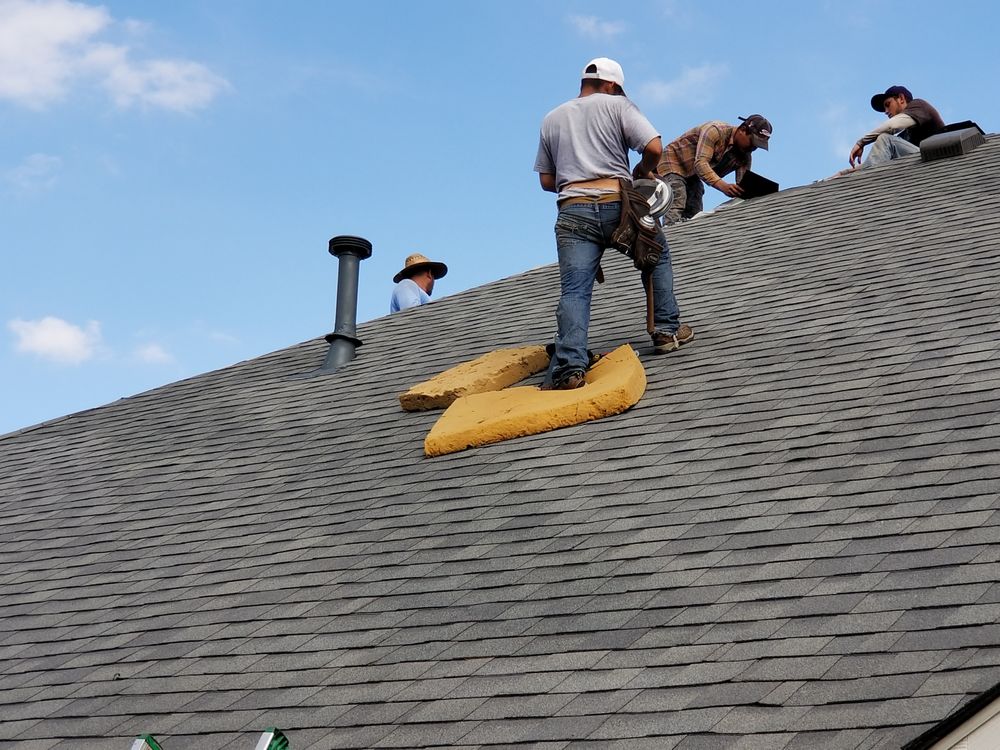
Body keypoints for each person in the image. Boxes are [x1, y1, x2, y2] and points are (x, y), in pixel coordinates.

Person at [534, 57, 692, 391]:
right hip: (616, 205)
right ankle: (666, 329)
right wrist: (642, 170)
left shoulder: (552, 118)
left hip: (573, 211)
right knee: (656, 255)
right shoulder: (617, 105)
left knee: (575, 290)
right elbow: (653, 146)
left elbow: (548, 181)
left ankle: (570, 369)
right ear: (611, 85)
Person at [656, 115, 772, 225]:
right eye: (752, 142)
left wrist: (762, 193)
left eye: (757, 146)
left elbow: (743, 187)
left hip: (694, 175)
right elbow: (700, 164)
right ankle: (670, 229)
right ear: (742, 130)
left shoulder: (745, 155)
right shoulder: (715, 131)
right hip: (674, 161)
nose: (753, 148)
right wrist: (723, 186)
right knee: (678, 195)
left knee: (694, 211)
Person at [849, 85, 945, 169]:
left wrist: (861, 142)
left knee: (886, 140)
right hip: (926, 165)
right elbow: (874, 160)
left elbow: (891, 126)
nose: (886, 111)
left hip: (939, 161)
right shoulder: (905, 136)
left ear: (901, 98)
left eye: (888, 105)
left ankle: (867, 181)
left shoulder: (919, 105)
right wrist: (846, 173)